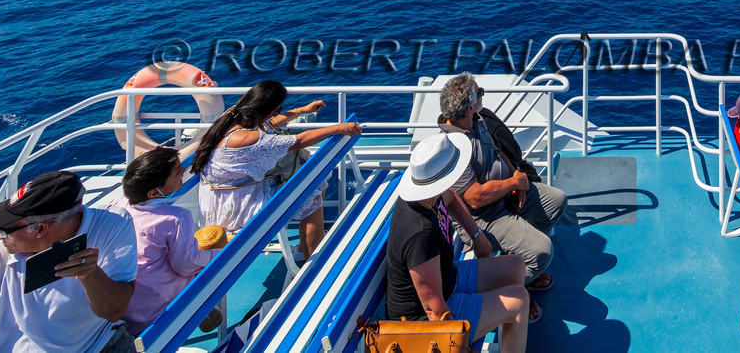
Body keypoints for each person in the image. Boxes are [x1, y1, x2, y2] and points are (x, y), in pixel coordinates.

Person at [0, 170, 139, 353]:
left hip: (96, 344)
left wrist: (91, 275)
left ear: (40, 229)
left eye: (3, 231)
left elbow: (113, 312)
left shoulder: (113, 224)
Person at [386, 131, 532, 350]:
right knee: (518, 301)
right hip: (423, 323)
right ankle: (507, 324)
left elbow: (451, 197)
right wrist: (459, 344)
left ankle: (507, 331)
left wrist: (476, 235)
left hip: (448, 280)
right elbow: (434, 311)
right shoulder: (420, 233)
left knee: (516, 265)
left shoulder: (427, 195)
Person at [189, 80, 361, 259]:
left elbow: (268, 125)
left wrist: (301, 111)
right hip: (235, 209)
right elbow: (297, 142)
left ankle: (307, 244)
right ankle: (313, 259)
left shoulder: (232, 117)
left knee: (313, 182)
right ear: (264, 111)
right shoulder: (245, 138)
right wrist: (339, 128)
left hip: (227, 195)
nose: (275, 115)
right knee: (313, 192)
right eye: (275, 110)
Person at [437, 74, 566, 304]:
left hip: (506, 195)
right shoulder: (452, 147)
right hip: (487, 217)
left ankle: (516, 266)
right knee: (542, 251)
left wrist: (516, 177)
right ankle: (510, 287)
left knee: (557, 201)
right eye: (480, 93)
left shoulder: (475, 120)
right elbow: (475, 198)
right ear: (468, 108)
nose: (483, 95)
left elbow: (498, 151)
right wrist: (513, 184)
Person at [117, 147, 221, 335]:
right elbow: (185, 264)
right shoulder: (175, 218)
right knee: (202, 263)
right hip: (155, 305)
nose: (183, 171)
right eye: (177, 172)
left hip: (126, 302)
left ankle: (200, 309)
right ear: (154, 193)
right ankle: (199, 309)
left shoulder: (119, 206)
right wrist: (218, 253)